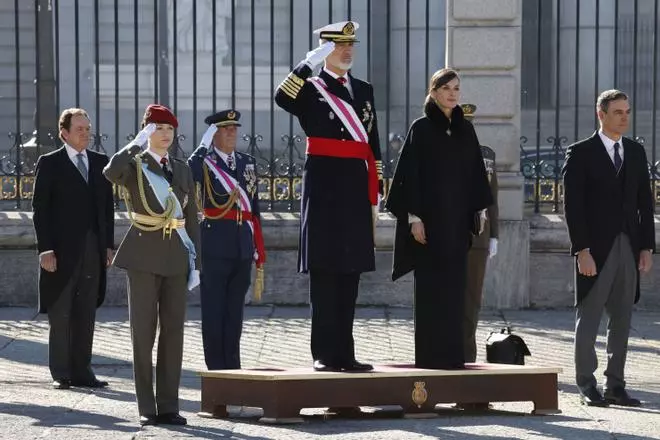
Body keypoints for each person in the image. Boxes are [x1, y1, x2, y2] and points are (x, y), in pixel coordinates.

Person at [274, 21, 384, 372]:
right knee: (325, 271)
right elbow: (281, 97)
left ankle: (345, 353)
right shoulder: (310, 88)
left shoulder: (364, 89)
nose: (348, 51)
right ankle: (324, 352)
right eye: (339, 46)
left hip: (354, 185)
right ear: (326, 50)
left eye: (351, 45)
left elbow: (372, 142)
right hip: (323, 186)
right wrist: (308, 64)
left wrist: (376, 190)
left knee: (350, 271)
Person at [385, 68, 493, 370]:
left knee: (455, 292)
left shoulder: (464, 129)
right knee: (432, 292)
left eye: (457, 88)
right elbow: (409, 176)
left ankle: (452, 359)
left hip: (456, 225)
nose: (453, 93)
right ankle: (430, 360)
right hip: (429, 227)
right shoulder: (421, 128)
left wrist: (479, 209)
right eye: (446, 88)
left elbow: (475, 174)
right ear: (434, 92)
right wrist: (414, 218)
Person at [103, 104, 200, 426]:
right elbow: (109, 172)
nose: (165, 134)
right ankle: (147, 406)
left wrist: (195, 260)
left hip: (176, 256)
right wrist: (134, 143)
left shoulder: (183, 169)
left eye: (170, 129)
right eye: (158, 128)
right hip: (143, 254)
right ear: (147, 131)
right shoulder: (134, 165)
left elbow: (190, 218)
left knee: (173, 333)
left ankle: (168, 405)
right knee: (143, 333)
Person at [562, 89, 654, 407]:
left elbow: (645, 202)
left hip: (628, 246)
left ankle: (616, 385)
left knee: (623, 319)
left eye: (627, 111)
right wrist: (582, 250)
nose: (625, 117)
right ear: (600, 114)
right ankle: (587, 384)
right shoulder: (580, 153)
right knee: (588, 319)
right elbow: (572, 207)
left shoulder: (636, 152)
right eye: (618, 112)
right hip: (595, 250)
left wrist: (647, 248)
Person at [32, 107, 114, 390]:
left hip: (93, 249)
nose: (85, 134)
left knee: (85, 310)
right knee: (61, 310)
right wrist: (45, 249)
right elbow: (40, 209)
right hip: (61, 251)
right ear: (64, 133)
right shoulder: (50, 163)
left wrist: (108, 246)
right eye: (79, 129)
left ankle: (83, 371)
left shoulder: (100, 162)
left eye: (88, 128)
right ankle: (62, 372)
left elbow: (107, 210)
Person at [188, 109, 265, 371]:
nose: (232, 132)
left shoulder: (247, 161)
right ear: (214, 134)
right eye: (225, 128)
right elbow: (189, 174)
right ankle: (216, 371)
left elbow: (254, 208)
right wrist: (202, 146)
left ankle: (233, 369)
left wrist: (257, 245)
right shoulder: (205, 162)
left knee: (234, 314)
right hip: (215, 244)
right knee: (214, 312)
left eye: (235, 128)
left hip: (242, 245)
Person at [462, 103, 499, 364]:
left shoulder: (486, 156)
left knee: (472, 300)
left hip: (478, 237)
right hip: (447, 236)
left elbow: (492, 199)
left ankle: (467, 355)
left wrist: (494, 235)